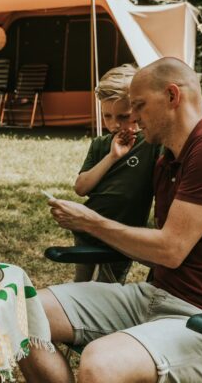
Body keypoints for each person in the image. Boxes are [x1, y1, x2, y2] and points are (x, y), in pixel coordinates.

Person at [19, 57, 202, 383]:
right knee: (23, 311)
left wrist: (91, 222)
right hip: (154, 298)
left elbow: (170, 250)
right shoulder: (168, 162)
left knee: (101, 363)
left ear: (172, 96)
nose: (134, 117)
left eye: (139, 105)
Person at [72, 64, 160, 283]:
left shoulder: (150, 144)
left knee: (109, 287)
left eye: (123, 116)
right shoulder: (100, 144)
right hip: (87, 230)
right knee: (81, 283)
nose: (114, 124)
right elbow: (81, 188)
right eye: (107, 116)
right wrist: (112, 156)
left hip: (124, 234)